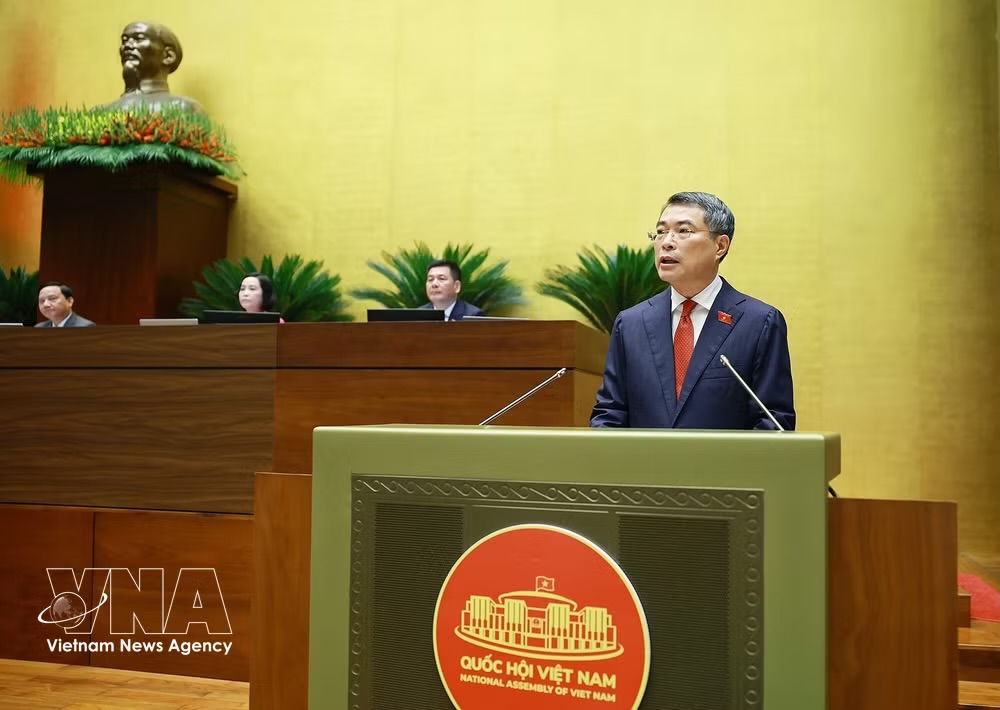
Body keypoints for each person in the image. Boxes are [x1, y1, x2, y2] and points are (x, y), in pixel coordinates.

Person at [590, 191, 794, 430]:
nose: (666, 242)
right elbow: (609, 414)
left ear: (720, 246)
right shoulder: (631, 324)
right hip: (645, 456)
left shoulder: (759, 323)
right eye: (661, 231)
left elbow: (773, 422)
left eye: (683, 231)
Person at [101, 21, 205, 114]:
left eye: (139, 39)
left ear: (168, 56)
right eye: (124, 40)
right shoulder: (102, 112)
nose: (127, 46)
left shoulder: (183, 108)